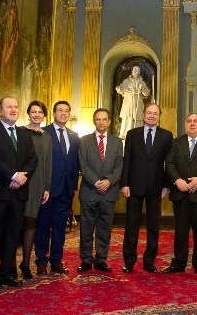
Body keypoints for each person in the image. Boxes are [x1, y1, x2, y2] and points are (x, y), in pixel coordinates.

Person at [0, 96, 37, 289]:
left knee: (12, 234)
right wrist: (12, 175)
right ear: (0, 110)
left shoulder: (24, 133)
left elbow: (33, 160)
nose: (13, 109)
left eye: (16, 106)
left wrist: (22, 177)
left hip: (18, 193)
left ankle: (7, 272)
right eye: (8, 107)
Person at [163, 113, 197, 276]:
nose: (192, 124)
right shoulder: (176, 142)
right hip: (181, 194)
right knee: (180, 232)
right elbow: (169, 163)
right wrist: (177, 180)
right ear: (185, 124)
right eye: (189, 121)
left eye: (196, 121)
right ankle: (179, 263)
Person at [121, 103, 173, 273]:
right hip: (134, 187)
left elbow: (169, 163)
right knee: (131, 226)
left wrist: (167, 185)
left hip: (156, 188)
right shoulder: (132, 134)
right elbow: (127, 160)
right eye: (149, 113)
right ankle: (129, 262)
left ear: (159, 116)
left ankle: (149, 262)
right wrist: (125, 183)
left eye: (155, 113)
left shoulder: (166, 135)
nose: (152, 116)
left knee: (153, 227)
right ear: (143, 115)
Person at [36, 101, 80, 275]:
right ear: (53, 113)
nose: (63, 113)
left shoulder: (74, 135)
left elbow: (75, 161)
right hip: (47, 189)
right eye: (60, 110)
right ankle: (41, 261)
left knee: (60, 228)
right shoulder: (43, 132)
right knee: (43, 226)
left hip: (66, 190)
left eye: (66, 111)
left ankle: (56, 260)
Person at [77, 108, 123, 273]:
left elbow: (119, 165)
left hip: (109, 192)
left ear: (109, 122)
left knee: (105, 227)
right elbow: (83, 166)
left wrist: (108, 181)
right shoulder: (84, 141)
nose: (101, 122)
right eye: (98, 119)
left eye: (104, 119)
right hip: (89, 190)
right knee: (86, 227)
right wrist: (97, 182)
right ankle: (86, 259)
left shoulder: (117, 142)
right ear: (94, 121)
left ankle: (101, 259)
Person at [19, 101, 52, 279]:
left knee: (31, 224)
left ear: (44, 115)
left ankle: (25, 263)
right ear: (28, 113)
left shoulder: (47, 137)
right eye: (33, 111)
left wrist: (47, 187)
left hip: (38, 184)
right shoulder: (20, 131)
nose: (37, 114)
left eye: (40, 112)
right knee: (15, 224)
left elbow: (48, 163)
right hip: (21, 181)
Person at [116, 66, 151, 139]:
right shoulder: (126, 81)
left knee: (137, 119)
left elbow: (147, 93)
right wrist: (119, 89)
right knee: (127, 118)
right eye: (135, 70)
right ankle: (125, 134)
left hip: (138, 103)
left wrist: (142, 88)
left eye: (138, 70)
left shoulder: (141, 82)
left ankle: (137, 135)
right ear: (132, 71)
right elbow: (121, 89)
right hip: (128, 103)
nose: (136, 72)